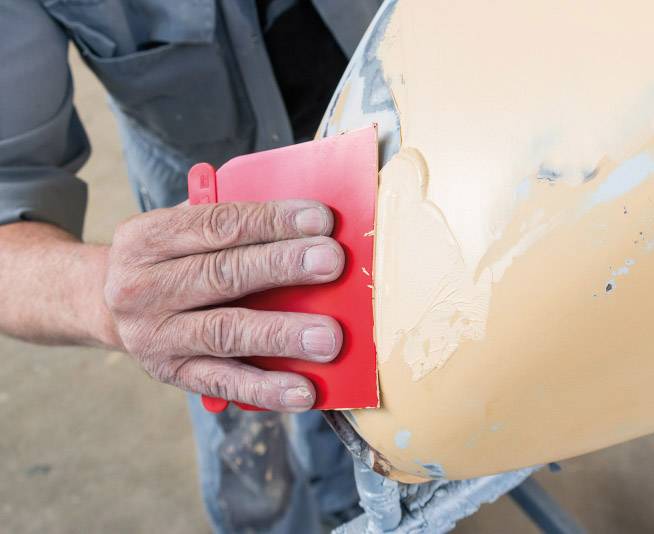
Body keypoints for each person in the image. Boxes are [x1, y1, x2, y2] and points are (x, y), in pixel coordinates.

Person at [0, 1, 382, 532]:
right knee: (249, 436)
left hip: (403, 144)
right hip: (203, 205)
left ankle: (359, 500)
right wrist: (108, 297)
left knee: (373, 381)